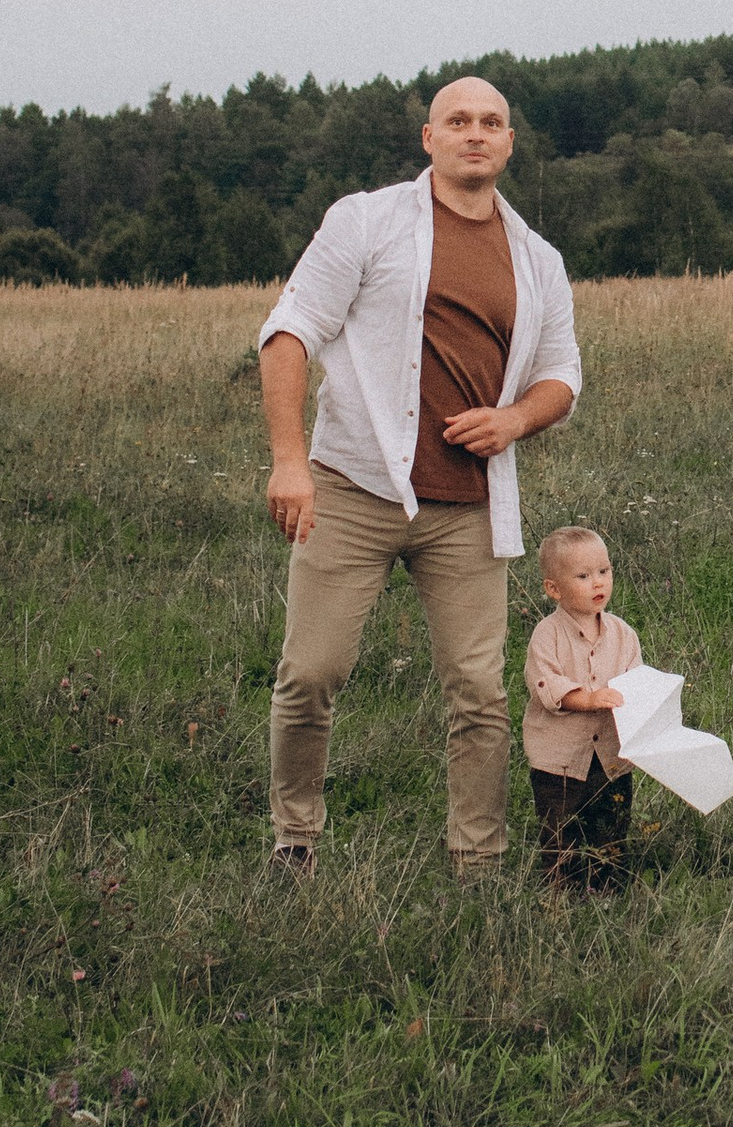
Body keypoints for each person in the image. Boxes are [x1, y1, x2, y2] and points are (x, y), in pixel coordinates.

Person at [255, 74, 582, 876]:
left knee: (480, 692)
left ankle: (477, 864)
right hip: (353, 488)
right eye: (458, 119)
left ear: (509, 143)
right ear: (428, 138)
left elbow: (563, 373)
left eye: (492, 122)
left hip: (469, 507)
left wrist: (514, 420)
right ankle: (295, 838)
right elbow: (289, 331)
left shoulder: (537, 258)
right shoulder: (366, 220)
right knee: (310, 673)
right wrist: (291, 461)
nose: (476, 132)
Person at [522, 524, 640, 898]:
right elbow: (546, 684)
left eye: (604, 572)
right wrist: (587, 698)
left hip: (610, 756)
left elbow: (636, 684)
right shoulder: (548, 634)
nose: (597, 583)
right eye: (584, 576)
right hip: (559, 760)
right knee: (562, 826)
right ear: (553, 589)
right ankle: (562, 889)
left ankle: (605, 887)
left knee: (610, 824)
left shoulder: (623, 634)